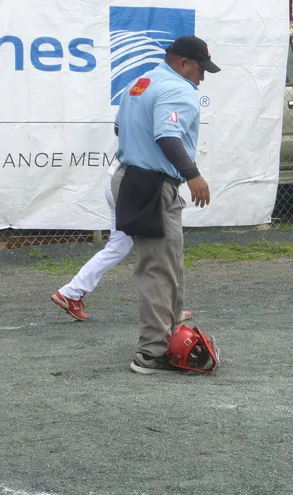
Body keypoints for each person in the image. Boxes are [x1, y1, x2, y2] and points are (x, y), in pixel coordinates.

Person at [111, 35, 216, 374]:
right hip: (153, 184)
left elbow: (119, 126)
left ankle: (169, 338)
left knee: (166, 263)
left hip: (134, 178)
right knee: (158, 268)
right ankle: (152, 351)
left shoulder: (141, 82)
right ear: (184, 63)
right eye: (201, 70)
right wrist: (193, 175)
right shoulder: (178, 89)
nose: (202, 78)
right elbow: (166, 135)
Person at [50, 175, 193, 323]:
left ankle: (71, 292)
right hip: (132, 185)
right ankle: (170, 309)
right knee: (161, 245)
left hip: (117, 184)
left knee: (118, 246)